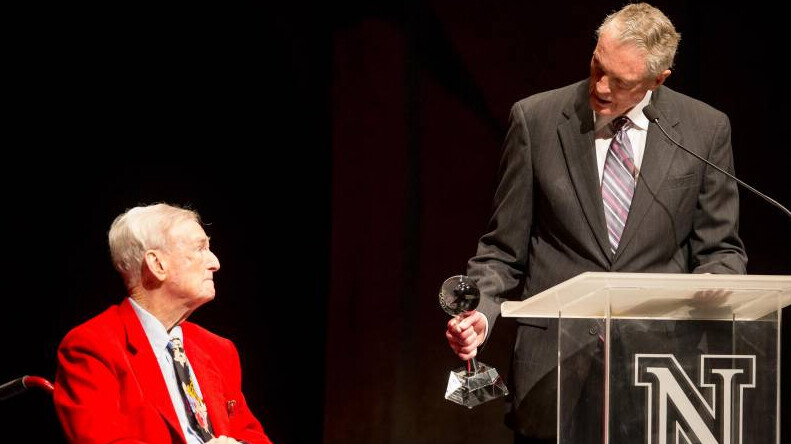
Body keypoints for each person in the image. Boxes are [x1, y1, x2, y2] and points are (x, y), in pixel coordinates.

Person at [444, 3, 747, 443]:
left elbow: (720, 251)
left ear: (657, 81)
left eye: (620, 82)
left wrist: (714, 297)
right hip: (553, 373)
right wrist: (481, 315)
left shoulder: (705, 130)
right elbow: (503, 251)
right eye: (597, 66)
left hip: (659, 374)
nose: (600, 88)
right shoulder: (536, 121)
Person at [54, 203, 273, 444]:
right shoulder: (92, 347)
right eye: (200, 248)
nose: (215, 263)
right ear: (157, 264)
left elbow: (252, 434)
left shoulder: (219, 350)